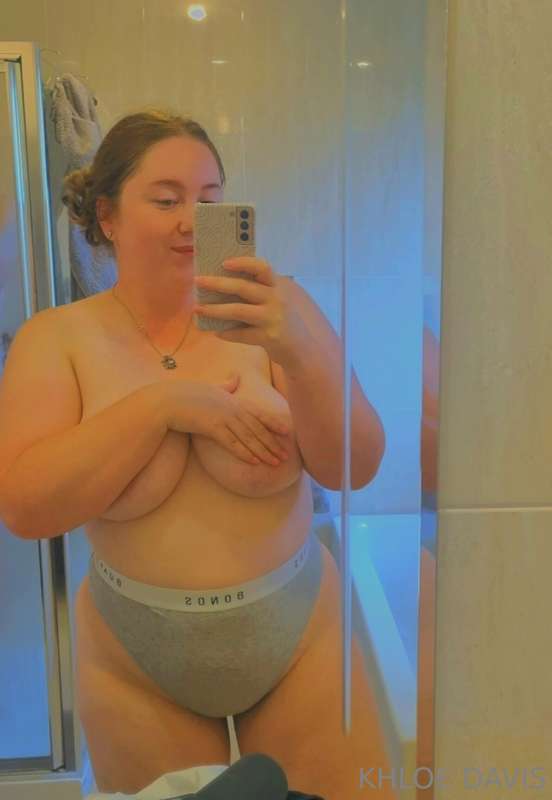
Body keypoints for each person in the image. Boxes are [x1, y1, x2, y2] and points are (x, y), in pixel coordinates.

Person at [0, 108, 391, 798]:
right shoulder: (57, 338)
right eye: (166, 200)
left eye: (210, 201)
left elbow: (355, 467)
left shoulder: (279, 312)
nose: (191, 221)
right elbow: (27, 509)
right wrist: (165, 406)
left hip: (299, 637)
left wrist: (300, 348)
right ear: (108, 216)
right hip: (135, 660)